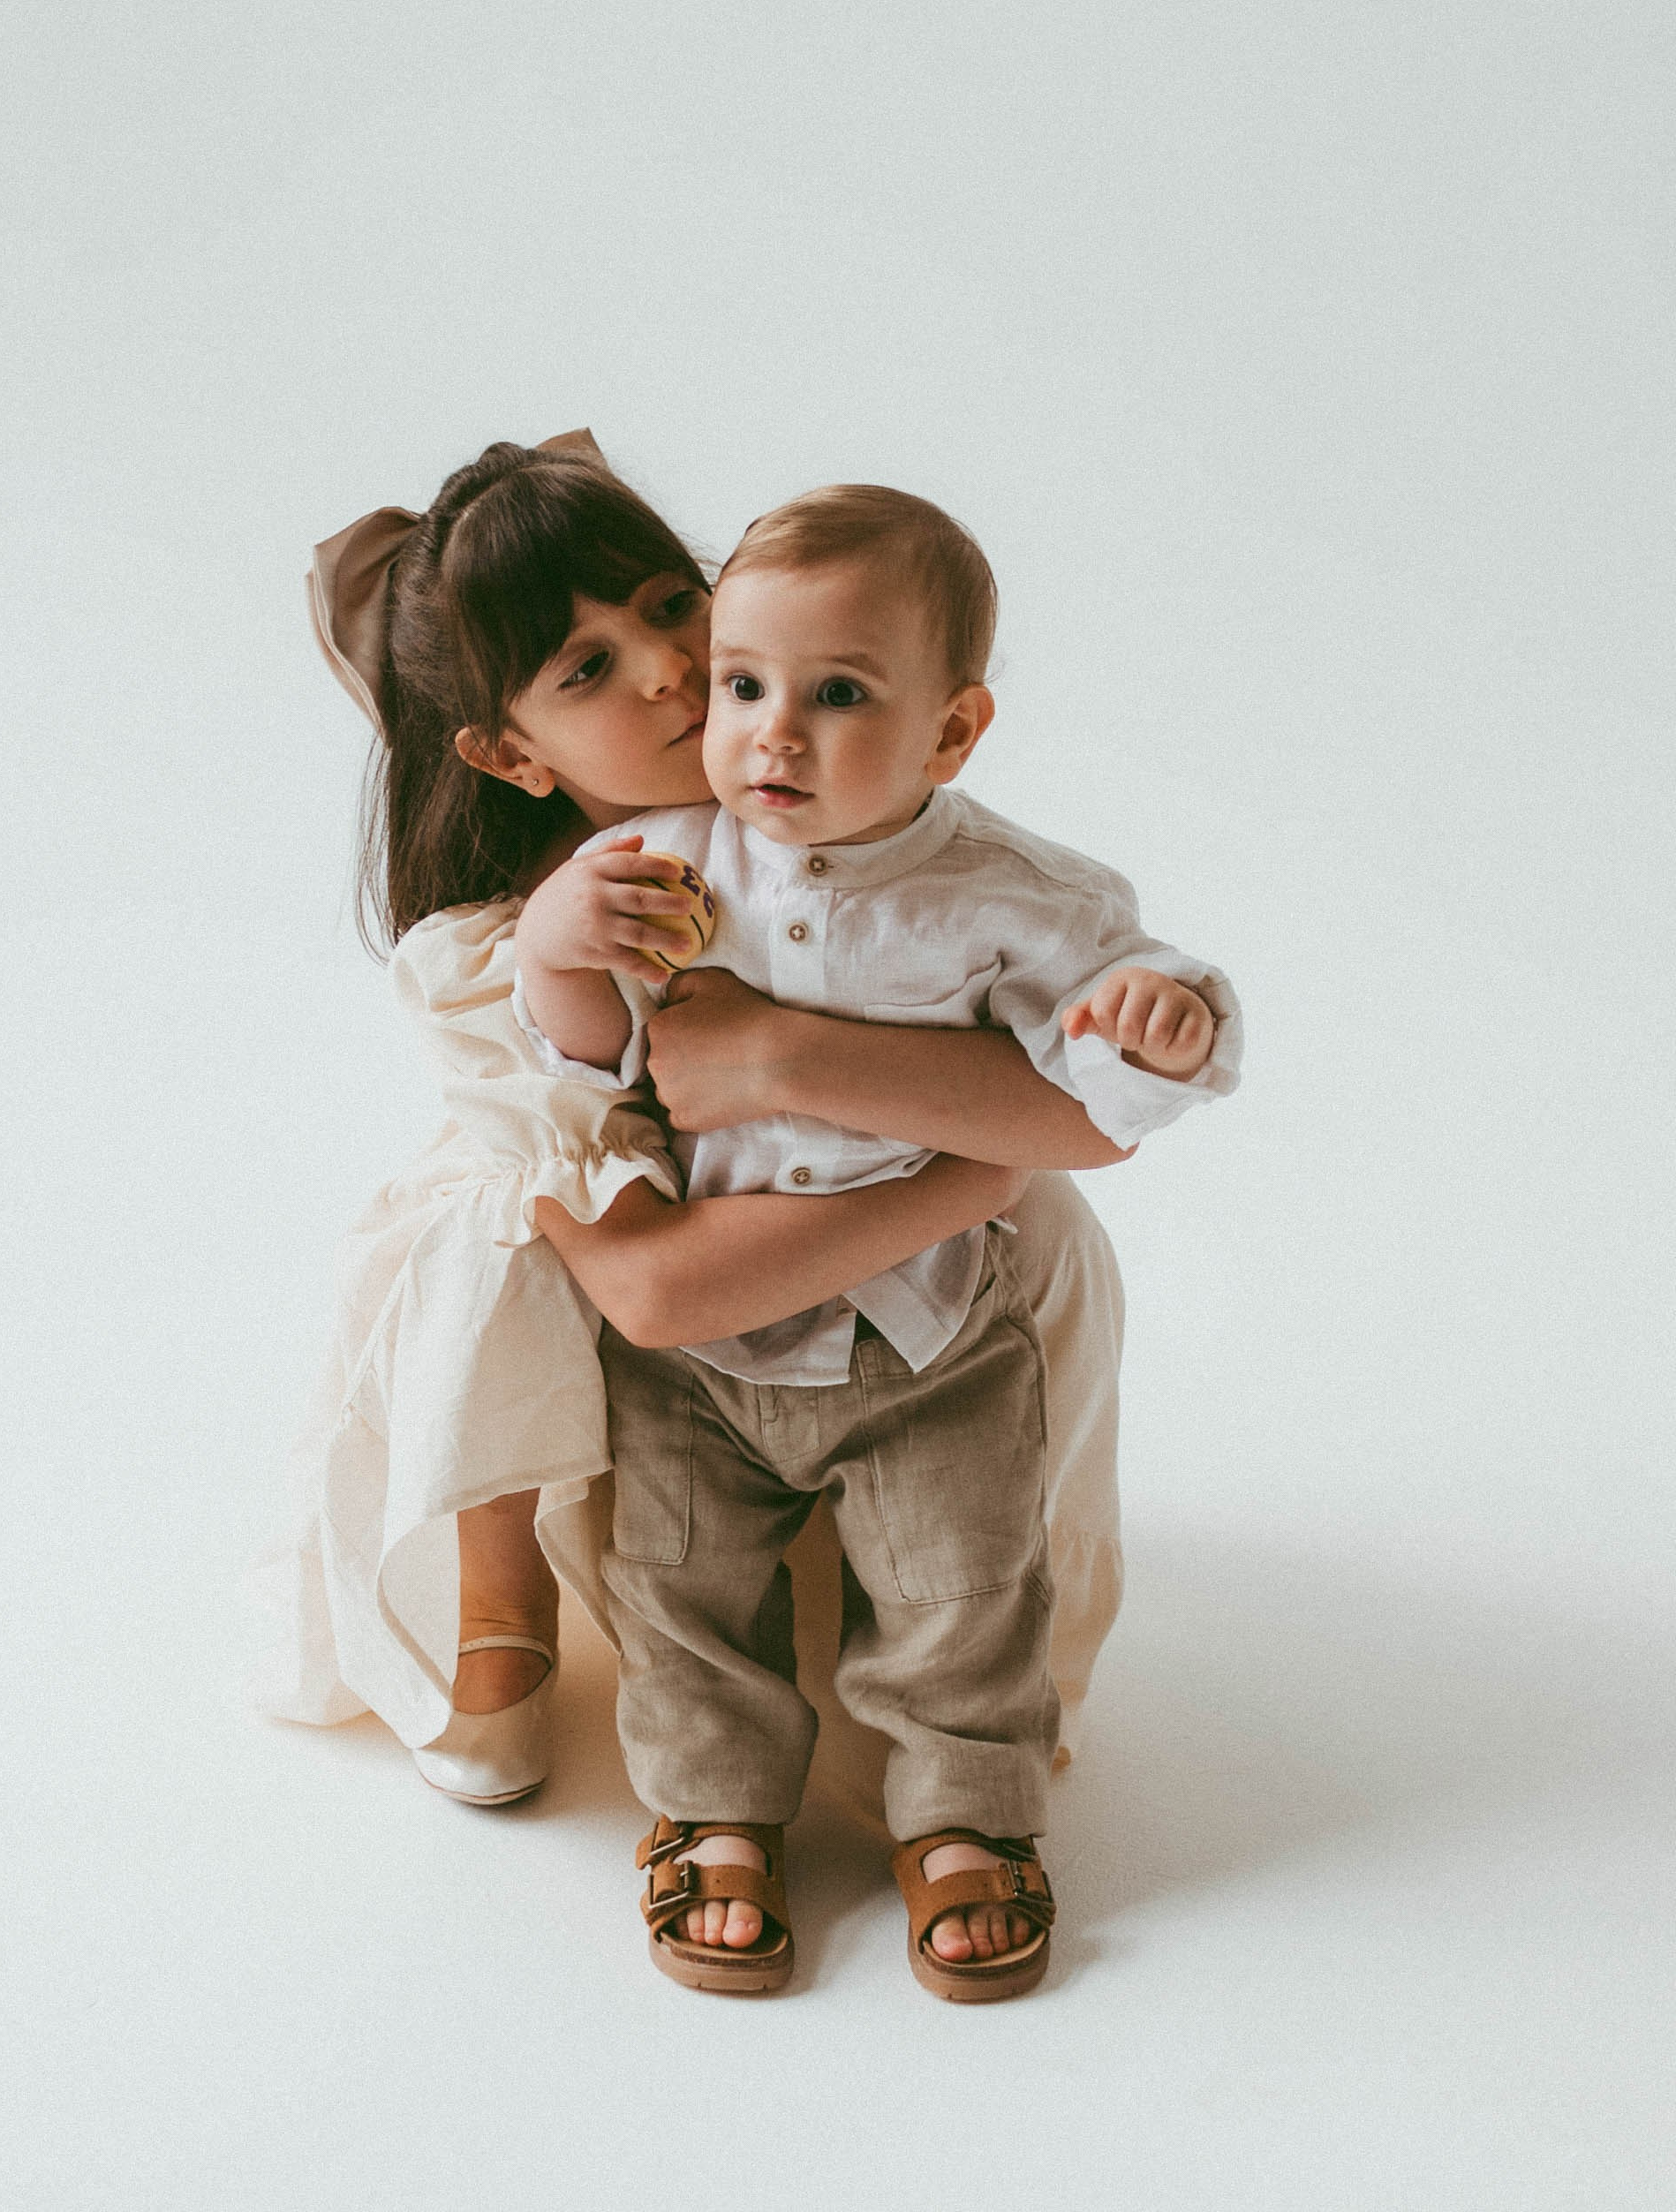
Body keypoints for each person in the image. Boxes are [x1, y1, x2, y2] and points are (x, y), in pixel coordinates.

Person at [253, 435, 1133, 1872]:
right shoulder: (507, 947)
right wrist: (972, 1160)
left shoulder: (848, 807)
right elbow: (653, 1296)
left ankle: (945, 1649)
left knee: (1042, 1248)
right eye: (585, 670)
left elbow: (1095, 1116)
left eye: (672, 608)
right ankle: (504, 1613)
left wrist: (783, 1058)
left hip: (895, 1306)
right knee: (493, 1245)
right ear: (512, 752)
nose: (667, 670)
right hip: (675, 1332)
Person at [516, 484, 1241, 1999]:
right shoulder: (664, 859)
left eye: (839, 695)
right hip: (708, 1352)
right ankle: (714, 1805)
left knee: (965, 1589)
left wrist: (1156, 1030)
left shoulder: (1015, 898)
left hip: (927, 1334)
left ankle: (967, 1818)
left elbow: (1112, 1067)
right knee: (680, 1587)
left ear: (954, 731)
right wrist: (559, 949)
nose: (774, 733)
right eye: (745, 686)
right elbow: (586, 1071)